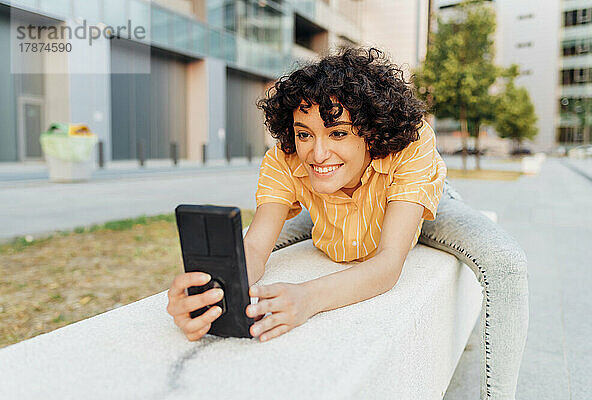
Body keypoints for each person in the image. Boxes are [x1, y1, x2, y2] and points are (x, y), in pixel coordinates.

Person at [166, 47, 529, 400]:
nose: (317, 153)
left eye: (337, 132)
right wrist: (206, 295)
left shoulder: (412, 145)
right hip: (325, 207)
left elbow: (388, 264)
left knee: (506, 260)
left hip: (408, 203)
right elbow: (257, 245)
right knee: (238, 243)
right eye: (304, 133)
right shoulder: (285, 158)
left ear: (371, 131)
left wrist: (308, 297)